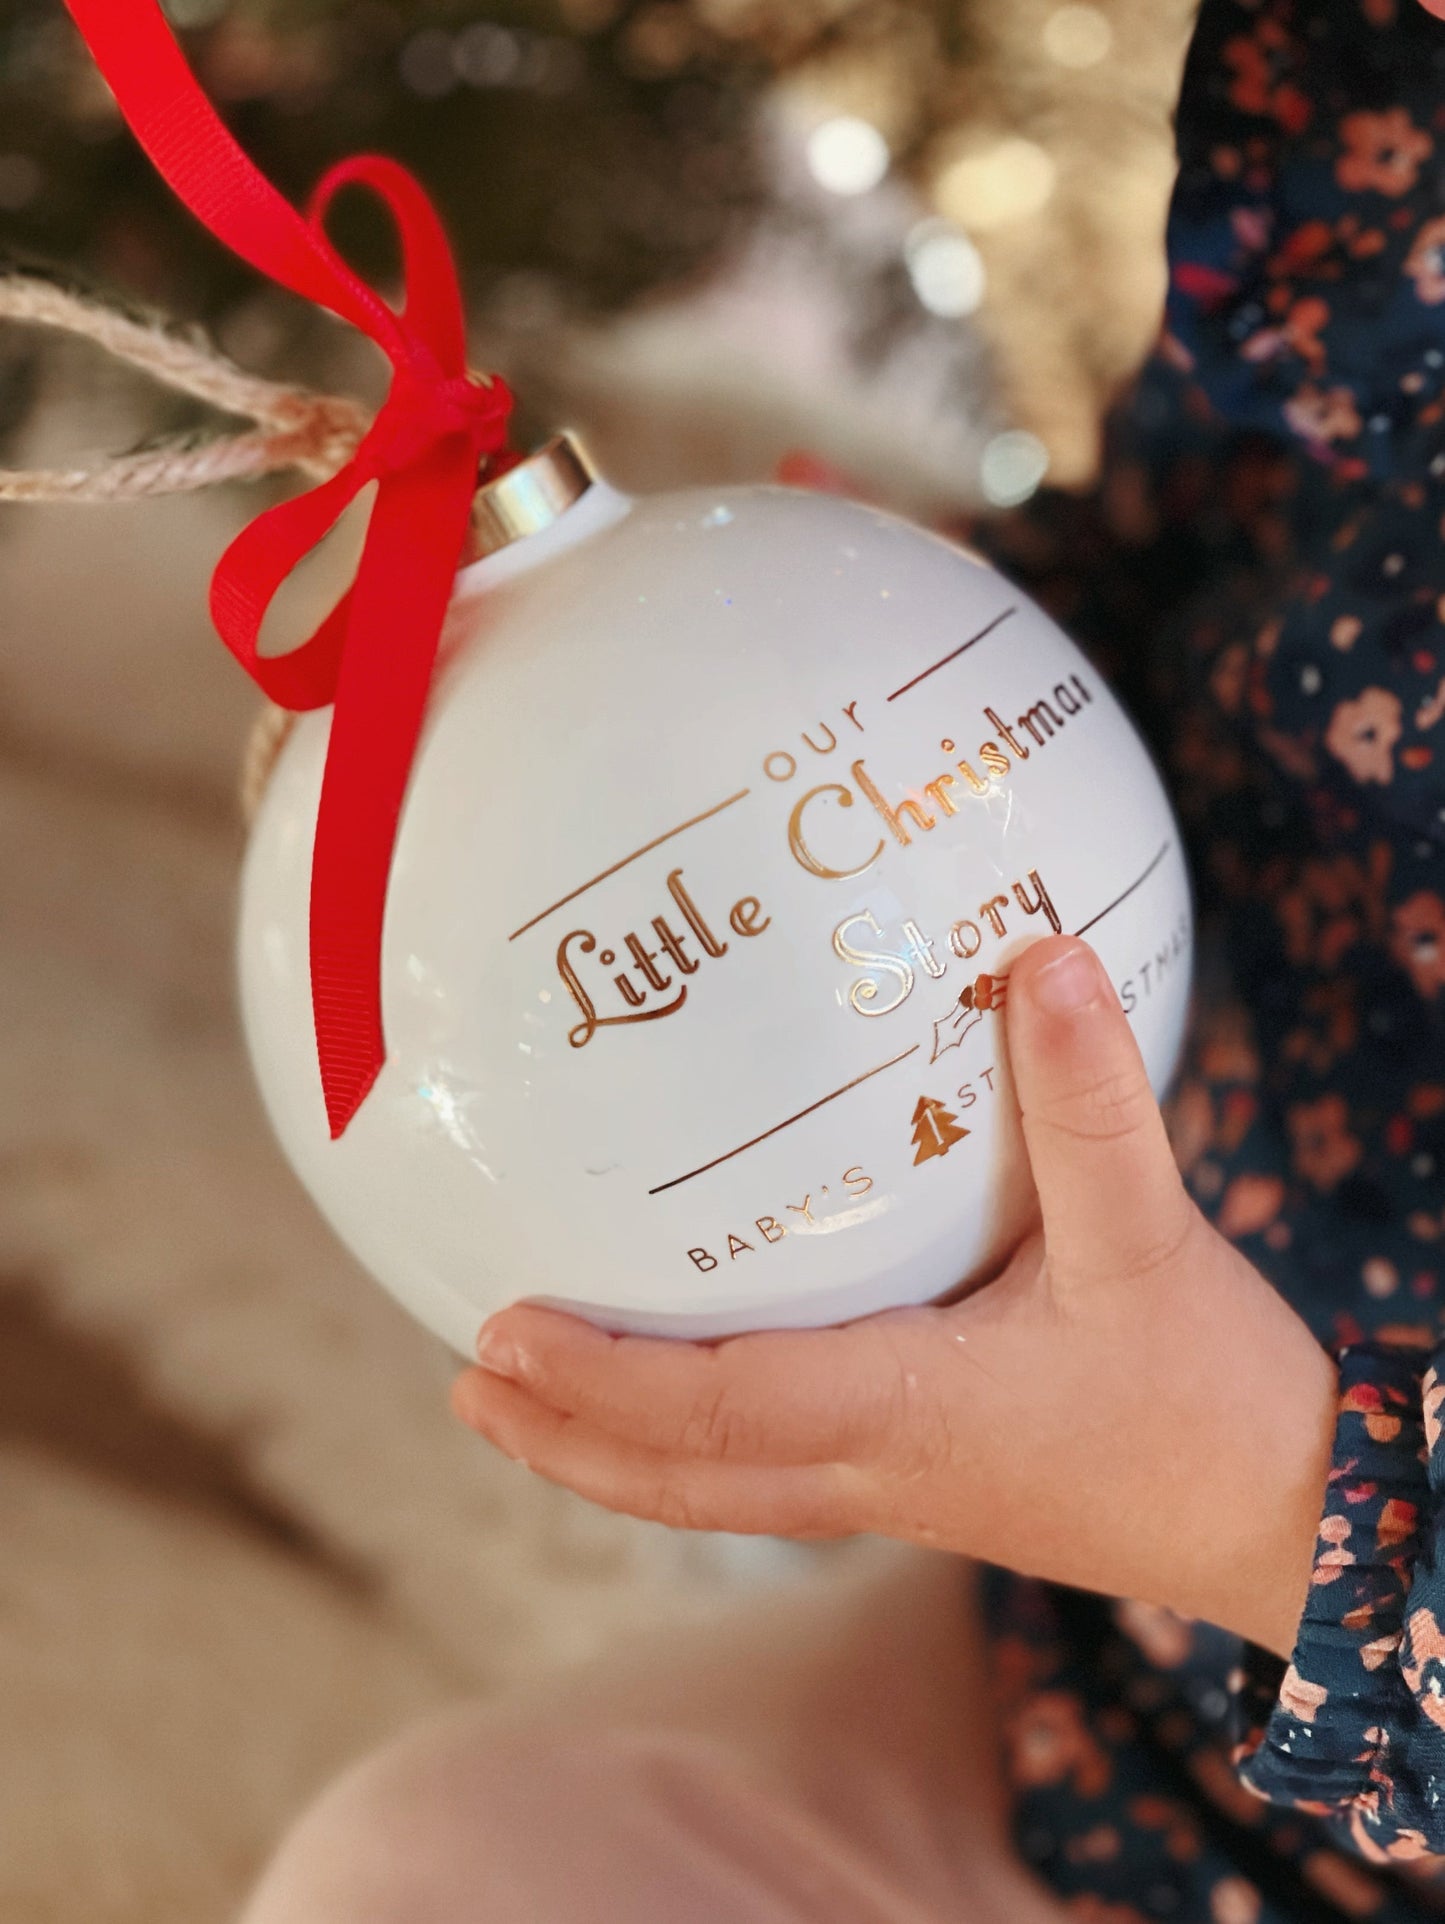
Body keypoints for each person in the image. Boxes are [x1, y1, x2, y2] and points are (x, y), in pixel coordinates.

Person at [244, 1, 1445, 1917]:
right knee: (427, 1878)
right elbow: (1205, 551)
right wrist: (861, 649)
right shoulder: (1378, 76)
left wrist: (1266, 1512)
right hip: (1106, 1691)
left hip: (1321, 1701)